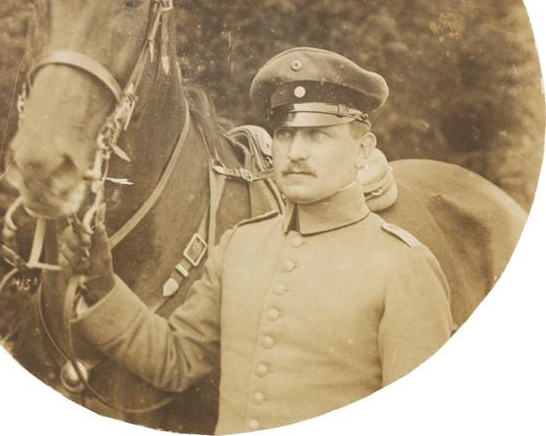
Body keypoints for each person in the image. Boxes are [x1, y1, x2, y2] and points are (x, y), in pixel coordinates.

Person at [60, 47, 453, 434]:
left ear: (363, 149)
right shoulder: (240, 246)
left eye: (317, 135)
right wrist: (103, 284)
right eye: (285, 134)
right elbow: (175, 360)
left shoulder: (403, 265)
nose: (296, 153)